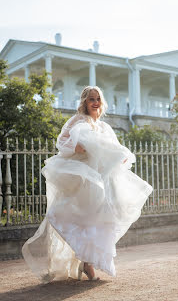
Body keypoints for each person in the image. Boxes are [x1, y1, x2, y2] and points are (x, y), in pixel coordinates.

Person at [22, 86, 153, 283]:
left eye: (98, 98)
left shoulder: (104, 127)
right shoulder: (77, 120)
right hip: (82, 177)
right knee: (82, 218)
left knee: (101, 219)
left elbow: (114, 148)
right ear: (84, 101)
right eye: (91, 98)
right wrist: (76, 147)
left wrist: (120, 159)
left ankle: (88, 261)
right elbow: (61, 141)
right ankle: (87, 262)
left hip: (101, 179)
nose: (95, 102)